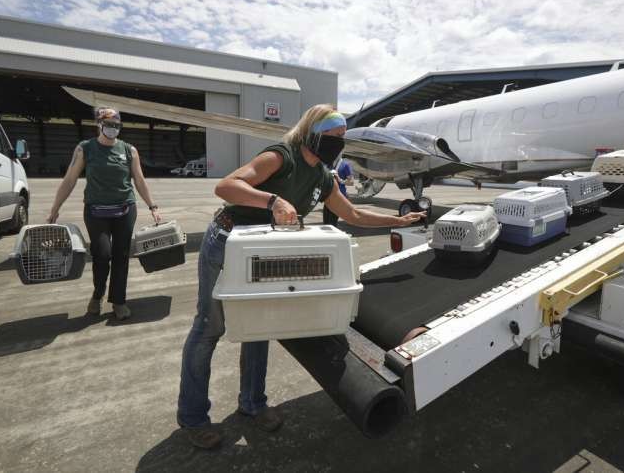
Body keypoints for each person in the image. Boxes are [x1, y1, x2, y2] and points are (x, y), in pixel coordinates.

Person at [177, 104, 424, 449]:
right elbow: (226, 186)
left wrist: (396, 222)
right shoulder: (281, 157)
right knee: (209, 328)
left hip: (263, 253)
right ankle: (192, 417)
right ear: (311, 133)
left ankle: (252, 404)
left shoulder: (323, 176)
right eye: (331, 137)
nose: (337, 144)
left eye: (341, 138)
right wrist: (273, 200)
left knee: (258, 327)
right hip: (228, 242)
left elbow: (351, 212)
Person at [47, 107, 161, 320]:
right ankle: (98, 294)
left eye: (117, 125)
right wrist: (55, 208)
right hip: (96, 211)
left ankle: (118, 301)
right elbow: (70, 179)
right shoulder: (85, 149)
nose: (113, 129)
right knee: (102, 254)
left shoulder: (129, 150)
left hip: (125, 210)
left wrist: (152, 206)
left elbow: (139, 179)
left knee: (121, 256)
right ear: (99, 124)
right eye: (109, 124)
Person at [322, 159, 353, 227]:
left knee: (332, 222)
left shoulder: (345, 165)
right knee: (326, 222)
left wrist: (340, 180)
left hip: (338, 197)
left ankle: (333, 237)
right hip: (328, 196)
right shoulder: (327, 164)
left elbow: (351, 182)